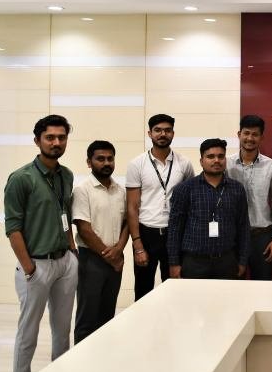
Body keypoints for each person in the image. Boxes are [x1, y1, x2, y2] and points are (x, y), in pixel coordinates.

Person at [4, 115, 78, 372]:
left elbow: (65, 213)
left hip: (65, 263)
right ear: (37, 141)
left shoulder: (66, 175)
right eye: (50, 137)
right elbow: (13, 228)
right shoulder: (21, 178)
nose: (56, 142)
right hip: (36, 266)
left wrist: (72, 250)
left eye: (62, 137)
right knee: (28, 334)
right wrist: (29, 269)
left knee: (62, 331)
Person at [126, 114, 194, 299]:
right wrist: (138, 245)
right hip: (146, 233)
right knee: (143, 290)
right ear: (150, 133)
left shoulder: (184, 164)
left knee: (174, 288)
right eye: (157, 130)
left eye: (167, 130)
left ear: (173, 133)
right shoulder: (137, 164)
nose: (162, 134)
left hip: (174, 233)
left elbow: (190, 201)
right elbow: (132, 207)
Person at [167, 138, 249, 279]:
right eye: (210, 156)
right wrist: (174, 263)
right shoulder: (185, 188)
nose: (216, 160)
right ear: (201, 161)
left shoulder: (237, 189)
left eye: (221, 156)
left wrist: (242, 260)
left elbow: (243, 227)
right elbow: (175, 228)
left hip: (227, 261)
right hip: (194, 262)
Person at [72, 140, 128, 343]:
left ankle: (103, 357)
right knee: (87, 318)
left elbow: (126, 224)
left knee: (107, 317)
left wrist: (119, 249)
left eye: (110, 159)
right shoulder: (82, 189)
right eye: (100, 159)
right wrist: (110, 256)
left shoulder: (120, 190)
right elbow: (84, 229)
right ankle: (82, 360)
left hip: (115, 259)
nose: (106, 163)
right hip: (91, 260)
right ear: (89, 162)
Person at [226, 115, 272, 280]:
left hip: (262, 236)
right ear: (239, 134)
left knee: (263, 284)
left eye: (255, 134)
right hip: (233, 236)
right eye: (246, 133)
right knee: (234, 284)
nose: (250, 138)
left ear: (261, 137)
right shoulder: (226, 164)